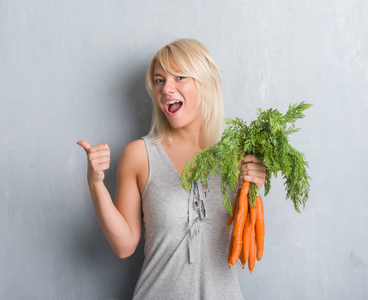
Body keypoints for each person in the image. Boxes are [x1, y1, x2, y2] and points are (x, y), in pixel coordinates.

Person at [77, 38, 266, 299]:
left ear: (205, 82)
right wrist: (96, 184)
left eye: (180, 77)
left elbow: (244, 246)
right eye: (159, 80)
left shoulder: (238, 157)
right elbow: (124, 246)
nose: (167, 88)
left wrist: (254, 191)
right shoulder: (139, 155)